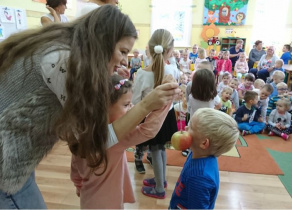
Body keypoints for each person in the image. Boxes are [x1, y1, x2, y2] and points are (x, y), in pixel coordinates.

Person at [0, 6, 180, 209]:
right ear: (103, 42)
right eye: (122, 51)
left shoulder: (64, 49)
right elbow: (96, 142)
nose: (123, 60)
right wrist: (148, 104)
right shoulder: (64, 61)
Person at [70, 75, 173, 209]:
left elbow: (76, 172)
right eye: (126, 105)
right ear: (104, 108)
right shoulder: (117, 137)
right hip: (110, 203)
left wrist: (79, 188)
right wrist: (166, 101)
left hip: (88, 199)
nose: (131, 108)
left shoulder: (81, 134)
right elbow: (149, 130)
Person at [132, 29, 178, 198]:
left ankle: (159, 188)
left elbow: (136, 101)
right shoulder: (172, 70)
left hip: (152, 118)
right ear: (170, 50)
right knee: (161, 150)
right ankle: (162, 179)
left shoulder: (142, 74)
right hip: (168, 116)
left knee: (155, 150)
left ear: (149, 49)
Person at [169, 108, 239, 209]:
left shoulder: (199, 177)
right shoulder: (197, 153)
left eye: (191, 127)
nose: (186, 127)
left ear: (204, 143)